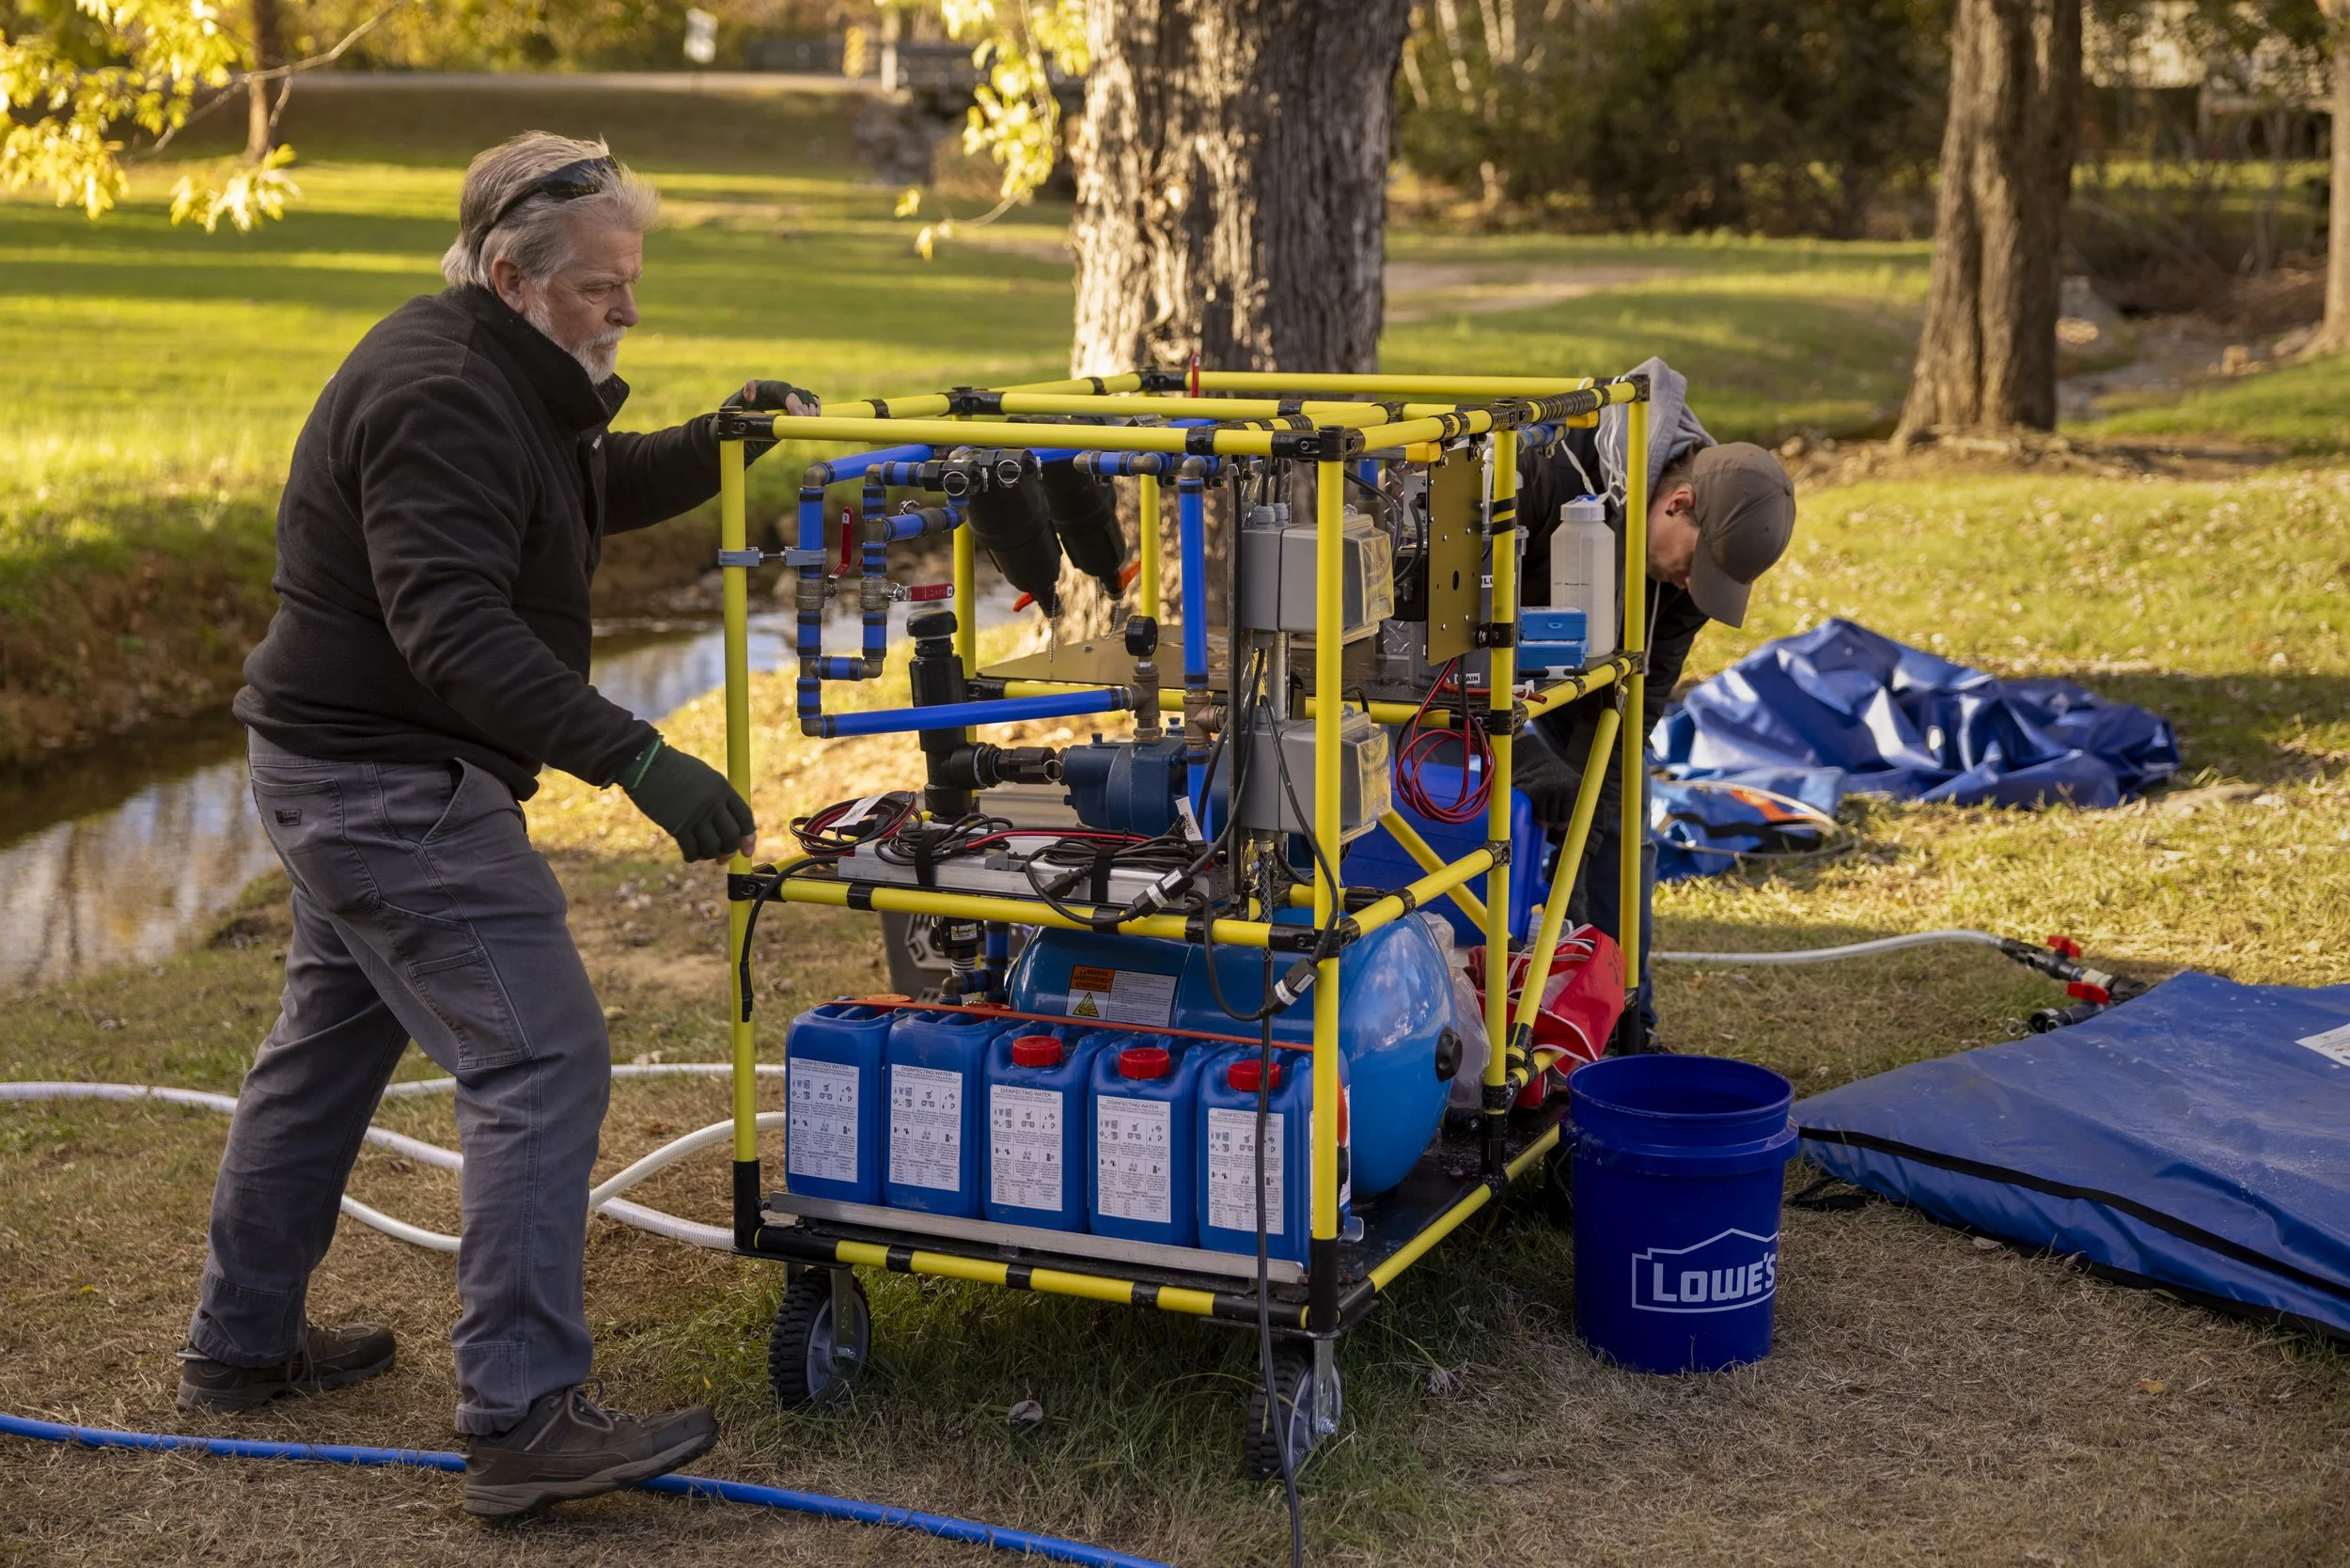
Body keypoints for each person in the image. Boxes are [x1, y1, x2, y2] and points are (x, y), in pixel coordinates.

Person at [175, 133, 815, 1518]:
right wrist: (636, 756)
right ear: (517, 276)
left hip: (339, 768)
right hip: (390, 787)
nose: (628, 312)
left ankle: (241, 1346)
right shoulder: (443, 395)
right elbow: (452, 628)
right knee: (543, 1060)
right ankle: (524, 1420)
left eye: (630, 284)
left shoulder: (503, 370)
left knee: (324, 1058)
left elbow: (568, 488)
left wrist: (711, 443)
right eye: (603, 291)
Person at [1515, 357, 1796, 1051]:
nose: (1689, 584)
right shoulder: (1546, 465)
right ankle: (1524, 1016)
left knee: (1619, 807)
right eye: (1692, 566)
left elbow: (1637, 704)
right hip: (1466, 681)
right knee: (1514, 827)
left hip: (1584, 677)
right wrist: (1526, 764)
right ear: (1678, 503)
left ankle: (1616, 1021)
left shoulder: (1687, 569)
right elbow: (1430, 638)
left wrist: (1595, 802)